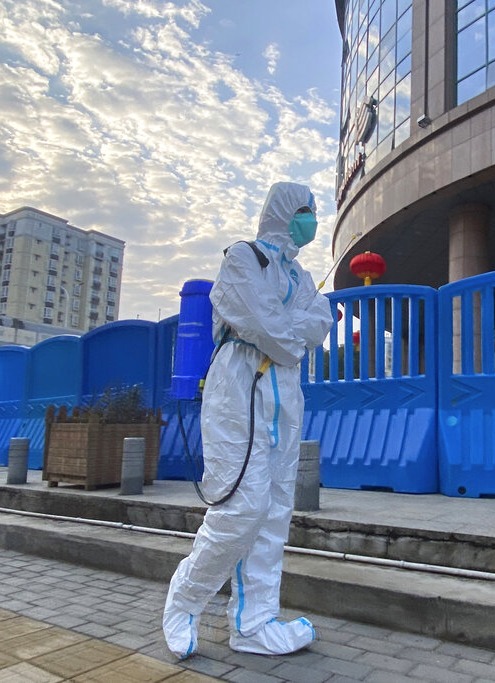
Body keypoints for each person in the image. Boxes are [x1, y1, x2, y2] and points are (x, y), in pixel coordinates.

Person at [163, 182, 333, 659]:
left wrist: (288, 330)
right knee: (241, 509)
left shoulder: (300, 276)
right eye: (304, 210)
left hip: (285, 397)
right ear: (281, 212)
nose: (311, 219)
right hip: (237, 393)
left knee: (275, 513)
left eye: (314, 212)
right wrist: (292, 330)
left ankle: (253, 622)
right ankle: (184, 601)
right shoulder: (243, 259)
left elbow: (317, 323)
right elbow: (267, 329)